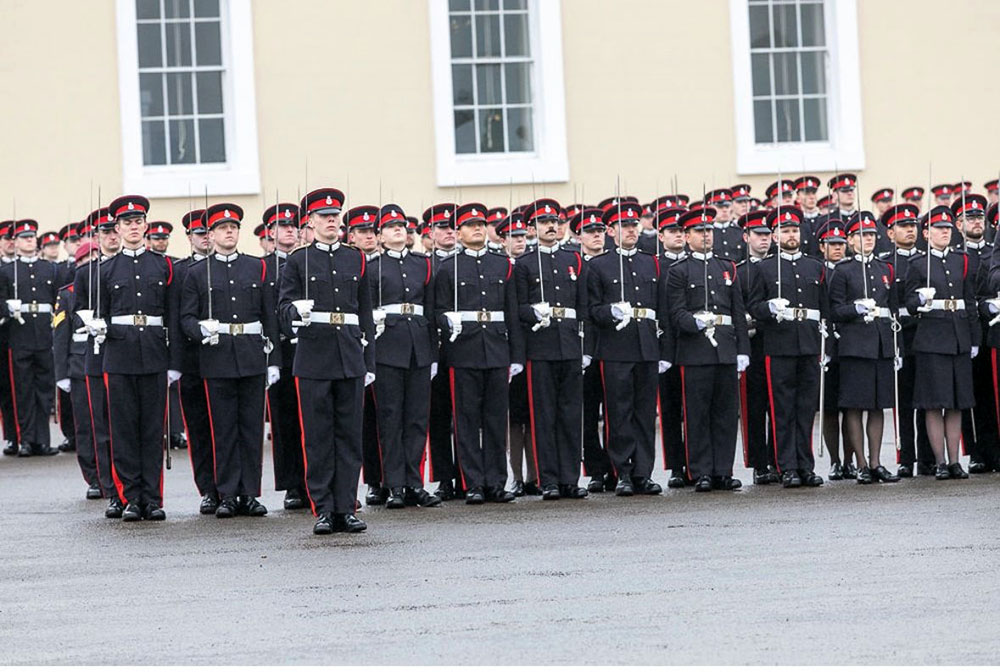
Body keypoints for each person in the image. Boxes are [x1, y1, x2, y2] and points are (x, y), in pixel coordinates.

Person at [279, 187, 375, 534]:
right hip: (315, 355)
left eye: (335, 215)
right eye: (324, 216)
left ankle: (346, 506)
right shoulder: (297, 260)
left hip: (349, 354)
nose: (332, 220)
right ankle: (323, 507)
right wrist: (294, 311)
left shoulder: (356, 259)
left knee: (349, 436)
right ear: (311, 222)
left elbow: (365, 314)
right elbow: (282, 307)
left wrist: (370, 364)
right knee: (318, 437)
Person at [181, 203, 279, 518]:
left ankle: (249, 493)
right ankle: (226, 493)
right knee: (223, 430)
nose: (229, 232)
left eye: (233, 227)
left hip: (251, 354)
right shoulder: (196, 272)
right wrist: (199, 331)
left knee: (251, 429)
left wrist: (273, 359)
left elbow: (269, 316)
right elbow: (186, 317)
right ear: (209, 234)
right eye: (222, 228)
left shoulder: (256, 267)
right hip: (217, 355)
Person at [87, 195, 180, 522]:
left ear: (146, 224)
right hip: (120, 353)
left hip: (154, 353)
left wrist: (174, 363)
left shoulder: (163, 265)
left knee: (153, 430)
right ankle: (129, 498)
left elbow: (172, 316)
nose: (134, 227)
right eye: (127, 223)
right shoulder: (106, 269)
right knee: (124, 430)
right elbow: (98, 314)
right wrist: (97, 326)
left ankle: (152, 499)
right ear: (118, 227)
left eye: (139, 221)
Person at [432, 203, 524, 504]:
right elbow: (438, 310)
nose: (478, 228)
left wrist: (516, 356)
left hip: (497, 349)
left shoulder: (504, 264)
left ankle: (496, 481)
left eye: (481, 224)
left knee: (497, 419)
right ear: (458, 232)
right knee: (467, 420)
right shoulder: (447, 268)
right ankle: (472, 482)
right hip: (464, 350)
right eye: (470, 225)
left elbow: (512, 315)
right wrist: (447, 321)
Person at [665, 206, 748, 492]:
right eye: (700, 231)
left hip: (725, 347)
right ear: (687, 236)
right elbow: (675, 312)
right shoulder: (679, 271)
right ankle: (700, 471)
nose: (706, 235)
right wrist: (693, 323)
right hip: (695, 350)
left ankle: (723, 470)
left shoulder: (727, 267)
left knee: (725, 414)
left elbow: (738, 312)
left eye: (709, 230)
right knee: (697, 414)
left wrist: (743, 350)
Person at [514, 198, 589, 501]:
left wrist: (586, 347)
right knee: (544, 415)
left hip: (569, 343)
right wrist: (533, 313)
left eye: (555, 221)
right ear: (532, 228)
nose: (551, 226)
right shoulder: (524, 264)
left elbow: (583, 306)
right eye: (544, 222)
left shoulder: (575, 259)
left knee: (571, 414)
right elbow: (517, 307)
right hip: (541, 346)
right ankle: (549, 480)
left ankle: (571, 478)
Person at [368, 204, 441, 508]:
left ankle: (415, 483)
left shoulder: (424, 264)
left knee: (416, 419)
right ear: (380, 236)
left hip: (418, 347)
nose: (399, 229)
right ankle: (394, 484)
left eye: (402, 225)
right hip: (388, 348)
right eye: (391, 226)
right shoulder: (372, 267)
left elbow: (433, 310)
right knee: (390, 419)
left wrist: (434, 353)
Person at [747, 206, 826, 488]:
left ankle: (805, 465)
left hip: (808, 343)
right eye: (785, 231)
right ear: (776, 236)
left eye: (794, 230)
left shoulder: (815, 266)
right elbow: (754, 306)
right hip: (778, 344)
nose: (791, 235)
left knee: (806, 409)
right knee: (783, 409)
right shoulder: (764, 268)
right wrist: (769, 308)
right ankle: (787, 466)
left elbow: (824, 308)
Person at [904, 205, 978, 480]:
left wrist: (974, 338)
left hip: (958, 335)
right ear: (927, 233)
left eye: (948, 228)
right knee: (935, 403)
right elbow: (909, 303)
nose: (945, 232)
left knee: (957, 402)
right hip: (931, 338)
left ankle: (955, 460)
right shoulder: (917, 264)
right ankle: (939, 462)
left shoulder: (963, 260)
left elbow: (969, 301)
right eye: (939, 228)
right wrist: (920, 300)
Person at [828, 212, 900, 484]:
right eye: (861, 235)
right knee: (855, 406)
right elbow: (834, 310)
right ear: (850, 240)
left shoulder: (884, 269)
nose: (867, 239)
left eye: (870, 234)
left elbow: (892, 312)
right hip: (855, 345)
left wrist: (896, 348)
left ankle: (876, 462)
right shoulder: (843, 270)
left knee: (878, 406)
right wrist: (855, 309)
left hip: (880, 343)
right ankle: (859, 463)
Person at [879, 204, 933, 477]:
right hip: (899, 334)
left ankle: (927, 457)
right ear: (890, 233)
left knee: (925, 400)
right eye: (903, 226)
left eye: (913, 225)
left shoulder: (926, 259)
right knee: (903, 401)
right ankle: (905, 458)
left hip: (925, 335)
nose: (910, 230)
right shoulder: (886, 263)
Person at [170, 209, 218, 514]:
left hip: (225, 356)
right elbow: (174, 321)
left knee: (225, 427)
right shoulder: (178, 271)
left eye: (207, 232)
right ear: (189, 237)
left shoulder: (230, 265)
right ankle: (208, 488)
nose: (204, 238)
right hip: (192, 359)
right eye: (199, 233)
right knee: (199, 428)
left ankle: (231, 486)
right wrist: (174, 362)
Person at [261, 202, 308, 510]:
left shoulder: (309, 261)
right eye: (282, 226)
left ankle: (314, 481)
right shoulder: (263, 267)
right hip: (280, 349)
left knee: (314, 421)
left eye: (293, 225)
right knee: (285, 420)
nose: (289, 230)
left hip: (310, 347)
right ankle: (292, 484)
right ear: (270, 232)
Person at [0, 219, 60, 457]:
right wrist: (6, 307)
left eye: (32, 237)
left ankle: (42, 441)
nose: (29, 241)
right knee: (22, 390)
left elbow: (58, 301)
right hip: (20, 334)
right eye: (24, 237)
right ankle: (25, 439)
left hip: (44, 333)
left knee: (44, 390)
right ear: (15, 241)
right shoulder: (6, 270)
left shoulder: (49, 269)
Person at [951, 193, 997, 472]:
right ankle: (977, 450)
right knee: (973, 394)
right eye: (970, 218)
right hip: (971, 330)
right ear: (958, 225)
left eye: (980, 217)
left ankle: (996, 449)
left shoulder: (995, 250)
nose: (977, 222)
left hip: (995, 330)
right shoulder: (957, 256)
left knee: (994, 394)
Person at [496, 209, 539, 496]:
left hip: (533, 348)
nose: (520, 241)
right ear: (503, 240)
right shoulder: (500, 266)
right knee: (513, 417)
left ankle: (533, 476)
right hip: (505, 349)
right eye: (514, 236)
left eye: (524, 235)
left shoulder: (532, 266)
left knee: (532, 415)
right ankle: (515, 475)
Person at [54, 241, 101, 496]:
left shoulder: (107, 286)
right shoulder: (68, 293)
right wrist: (61, 373)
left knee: (106, 423)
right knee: (85, 425)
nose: (93, 263)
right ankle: (93, 477)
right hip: (78, 364)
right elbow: (61, 336)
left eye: (97, 257)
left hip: (104, 361)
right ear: (79, 264)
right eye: (88, 259)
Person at [573, 208, 615, 493]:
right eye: (590, 232)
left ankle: (616, 466)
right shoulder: (575, 265)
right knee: (587, 414)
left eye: (600, 231)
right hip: (586, 346)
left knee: (615, 412)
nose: (596, 235)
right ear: (579, 237)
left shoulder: (616, 263)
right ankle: (596, 469)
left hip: (613, 345)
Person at [423, 203, 462, 500]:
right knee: (438, 417)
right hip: (435, 347)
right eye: (441, 228)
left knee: (464, 415)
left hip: (464, 347)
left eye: (452, 227)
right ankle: (444, 477)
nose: (448, 232)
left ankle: (465, 474)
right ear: (430, 233)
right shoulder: (426, 265)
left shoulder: (467, 261)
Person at [736, 209, 778, 485]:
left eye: (767, 235)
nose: (764, 240)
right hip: (752, 342)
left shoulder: (779, 266)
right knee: (754, 405)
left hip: (777, 341)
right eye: (758, 235)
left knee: (778, 405)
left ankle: (777, 459)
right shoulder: (739, 271)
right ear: (746, 237)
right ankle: (758, 462)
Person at [655, 207, 692, 488]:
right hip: (665, 344)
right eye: (672, 232)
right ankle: (676, 466)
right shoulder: (655, 266)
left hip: (693, 343)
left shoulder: (695, 264)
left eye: (681, 231)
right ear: (661, 235)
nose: (678, 236)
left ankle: (695, 462)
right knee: (670, 409)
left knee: (694, 408)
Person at [814, 220, 853, 479]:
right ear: (822, 247)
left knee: (850, 405)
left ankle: (850, 460)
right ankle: (835, 460)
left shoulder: (853, 269)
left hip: (852, 342)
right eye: (832, 244)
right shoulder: (818, 272)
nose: (837, 248)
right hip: (826, 342)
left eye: (840, 244)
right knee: (829, 407)